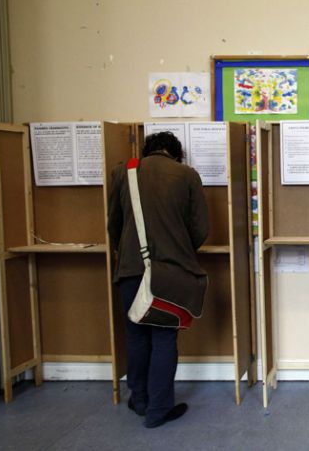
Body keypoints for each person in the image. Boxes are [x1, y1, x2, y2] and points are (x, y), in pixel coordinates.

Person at [107, 131, 209, 428]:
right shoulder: (187, 175)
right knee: (164, 338)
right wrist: (180, 249)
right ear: (176, 154)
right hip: (170, 272)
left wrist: (129, 253)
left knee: (136, 335)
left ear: (147, 150)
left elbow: (114, 225)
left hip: (130, 269)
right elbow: (201, 228)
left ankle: (139, 400)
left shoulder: (123, 172)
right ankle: (159, 409)